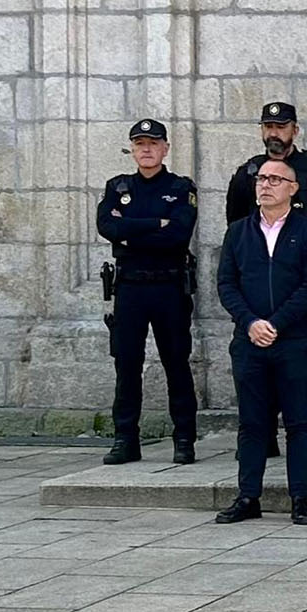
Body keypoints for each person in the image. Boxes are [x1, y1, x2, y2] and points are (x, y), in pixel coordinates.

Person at [225, 102, 307, 461]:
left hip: (303, 288)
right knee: (256, 362)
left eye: (281, 126)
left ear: (295, 129)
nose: (273, 133)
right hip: (257, 290)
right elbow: (236, 226)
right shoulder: (248, 174)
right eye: (268, 126)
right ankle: (260, 435)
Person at [214, 158, 307, 526]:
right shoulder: (238, 232)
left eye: (276, 179)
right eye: (262, 178)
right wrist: (250, 322)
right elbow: (226, 285)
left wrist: (276, 323)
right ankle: (248, 495)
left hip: (292, 340)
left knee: (299, 422)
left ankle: (300, 498)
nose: (266, 185)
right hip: (249, 342)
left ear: (293, 189)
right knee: (252, 423)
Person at [95, 119, 199, 465]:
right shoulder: (118, 186)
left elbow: (179, 234)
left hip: (169, 286)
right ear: (132, 149)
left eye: (153, 143)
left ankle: (184, 437)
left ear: (165, 148)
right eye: (140, 144)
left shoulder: (180, 187)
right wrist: (156, 223)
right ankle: (125, 438)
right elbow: (107, 226)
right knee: (126, 365)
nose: (146, 149)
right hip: (130, 288)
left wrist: (130, 231)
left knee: (176, 364)